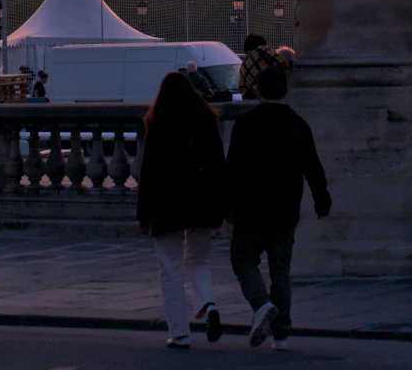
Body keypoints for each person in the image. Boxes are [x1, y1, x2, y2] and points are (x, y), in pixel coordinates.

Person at [226, 66, 330, 349]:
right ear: (285, 91)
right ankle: (281, 333)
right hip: (285, 208)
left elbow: (233, 169)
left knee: (243, 259)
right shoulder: (297, 124)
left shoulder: (246, 124)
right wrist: (322, 198)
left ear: (258, 91)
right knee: (280, 269)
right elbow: (312, 166)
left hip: (251, 208)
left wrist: (230, 205)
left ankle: (261, 305)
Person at [137, 72, 226, 350]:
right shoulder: (206, 120)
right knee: (198, 262)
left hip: (167, 204)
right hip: (200, 203)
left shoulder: (158, 123)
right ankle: (208, 304)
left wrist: (144, 213)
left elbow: (148, 171)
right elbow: (217, 166)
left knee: (170, 269)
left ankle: (179, 332)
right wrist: (220, 205)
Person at [237, 35, 284, 101]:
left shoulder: (243, 66)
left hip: (259, 102)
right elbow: (282, 62)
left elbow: (243, 89)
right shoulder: (261, 50)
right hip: (275, 97)